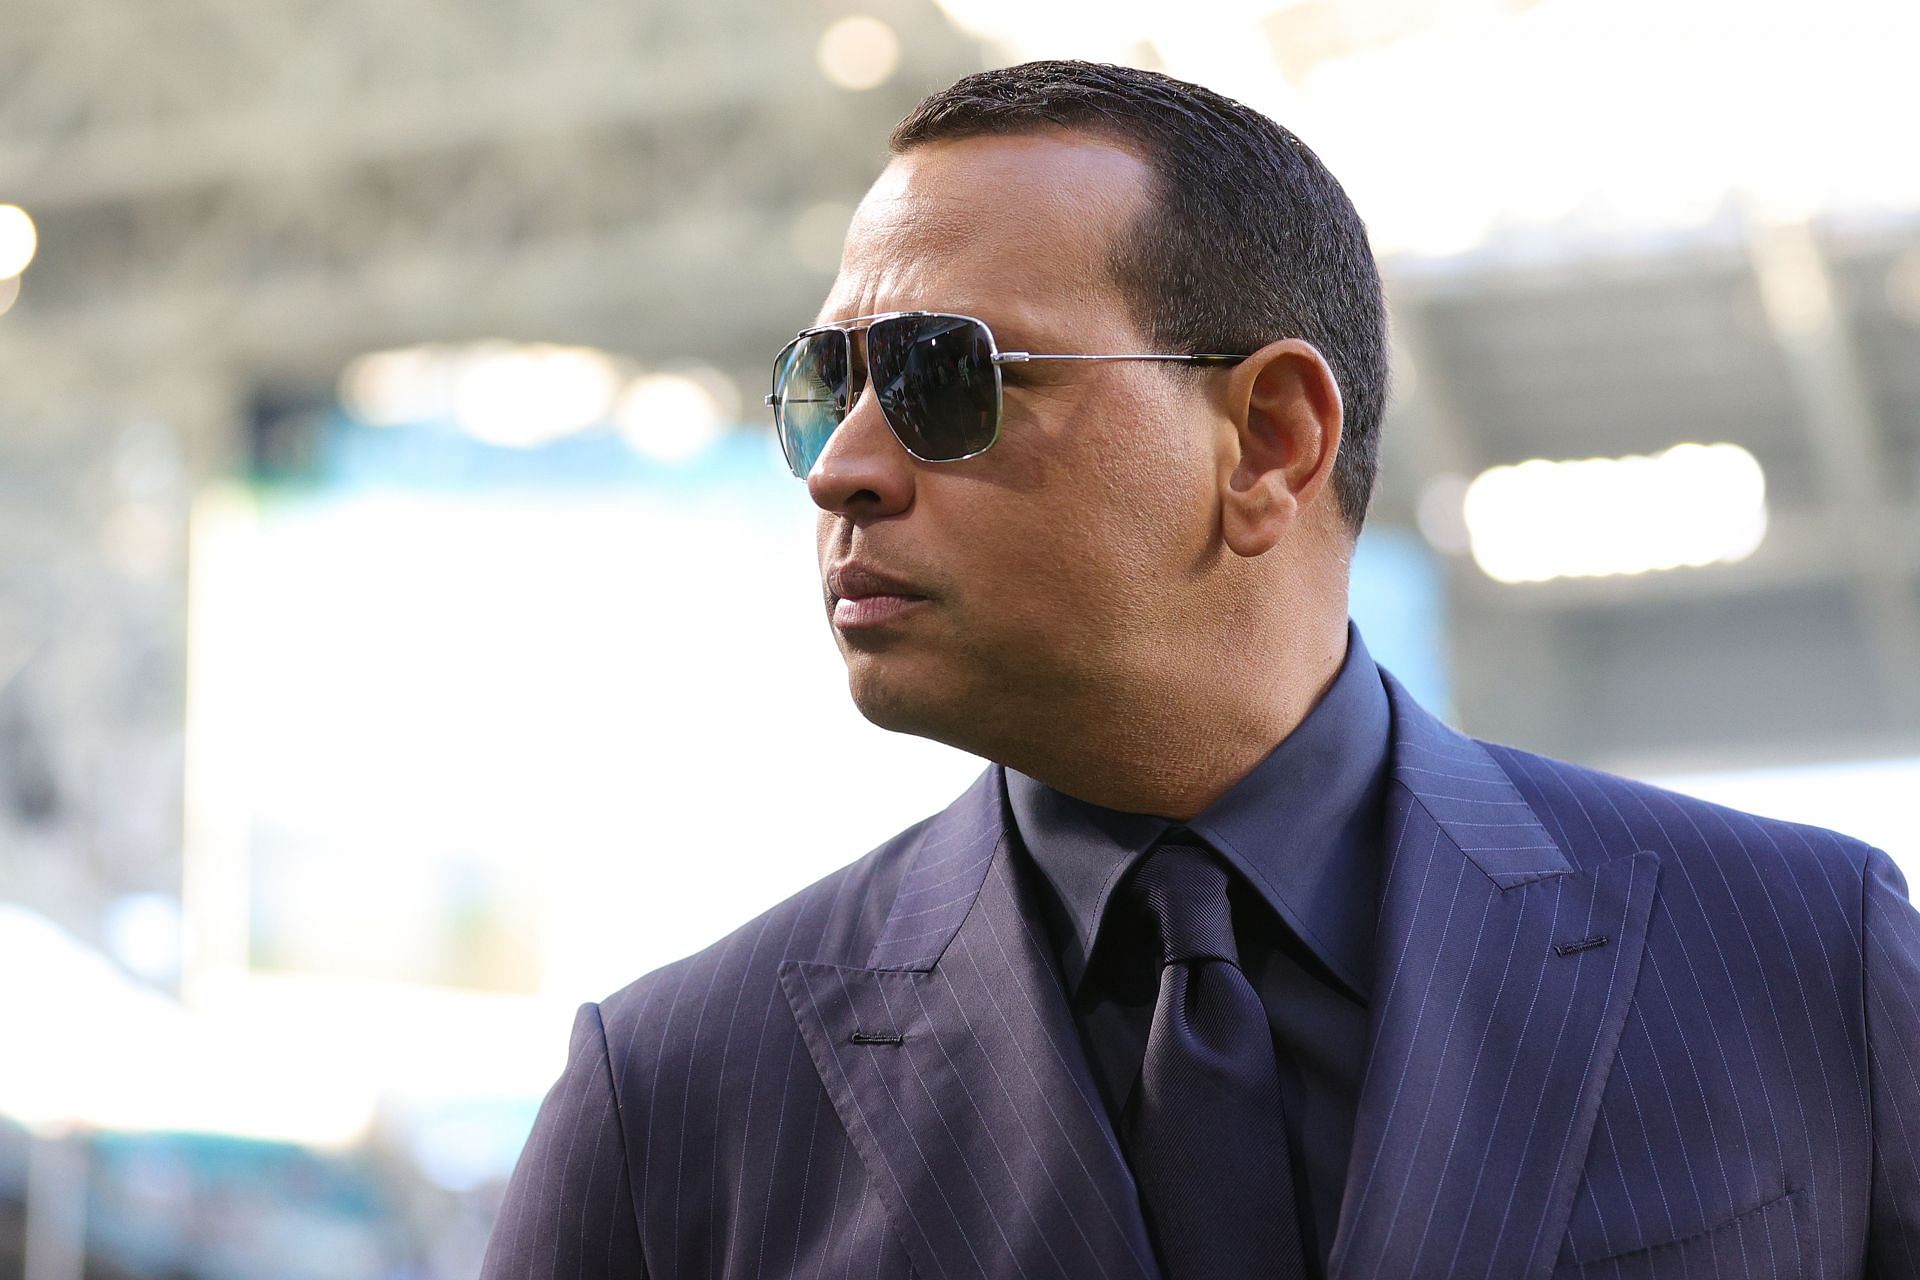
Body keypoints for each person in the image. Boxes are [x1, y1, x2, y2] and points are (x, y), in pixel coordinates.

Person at [480, 60, 1920, 1279]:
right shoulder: (672, 1103)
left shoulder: (1804, 963)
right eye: (824, 388)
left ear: (1270, 439)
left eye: (940, 378)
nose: (842, 469)